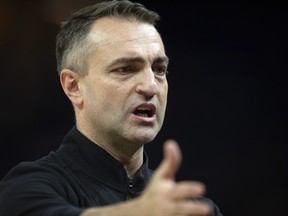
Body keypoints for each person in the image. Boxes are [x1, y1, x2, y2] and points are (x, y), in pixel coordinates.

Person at [0, 0, 223, 215]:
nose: (150, 86)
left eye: (159, 69)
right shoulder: (25, 190)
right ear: (74, 86)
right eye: (125, 69)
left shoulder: (193, 210)